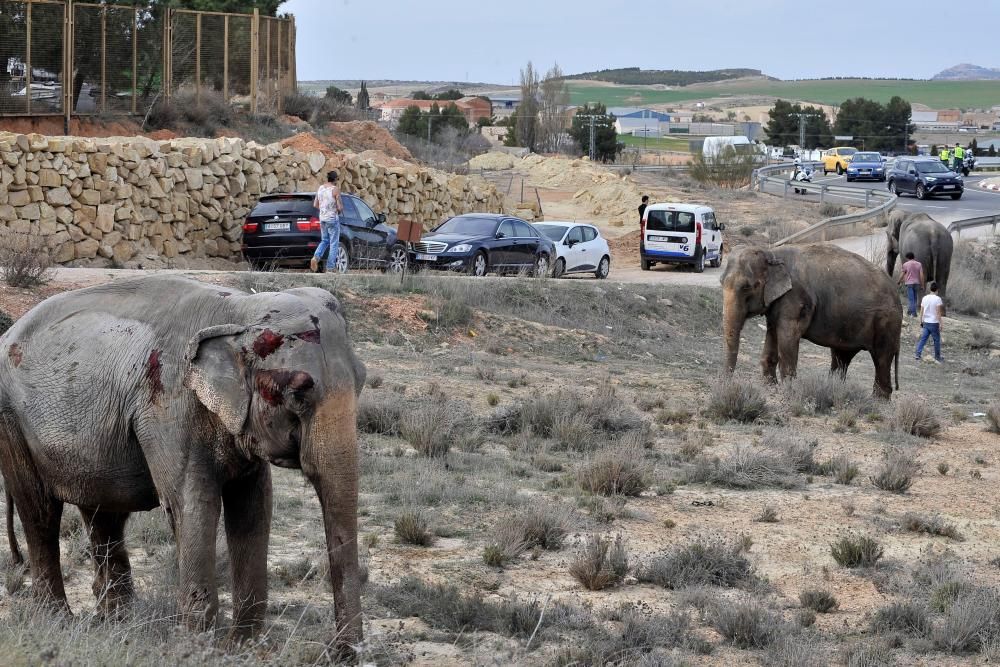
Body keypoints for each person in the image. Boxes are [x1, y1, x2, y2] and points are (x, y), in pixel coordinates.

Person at [311, 170, 344, 273]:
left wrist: (324, 209)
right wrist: (339, 209)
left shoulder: (320, 188)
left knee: (324, 240)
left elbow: (315, 204)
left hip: (322, 218)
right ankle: (330, 267)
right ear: (335, 179)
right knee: (334, 243)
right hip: (332, 219)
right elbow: (339, 207)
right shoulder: (335, 189)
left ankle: (316, 257)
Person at [915, 281, 945, 363]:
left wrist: (920, 321)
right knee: (936, 340)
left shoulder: (924, 298)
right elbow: (938, 313)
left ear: (930, 289)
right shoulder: (938, 299)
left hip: (926, 322)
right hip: (934, 323)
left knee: (923, 339)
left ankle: (917, 354)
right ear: (937, 290)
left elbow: (921, 311)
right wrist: (941, 323)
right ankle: (937, 357)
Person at [898, 252, 925, 317]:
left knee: (911, 299)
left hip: (909, 283)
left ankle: (913, 313)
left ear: (907, 258)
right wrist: (922, 284)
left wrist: (899, 281)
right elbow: (921, 275)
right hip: (917, 283)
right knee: (915, 298)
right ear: (914, 257)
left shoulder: (905, 264)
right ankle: (910, 312)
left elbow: (902, 274)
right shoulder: (919, 264)